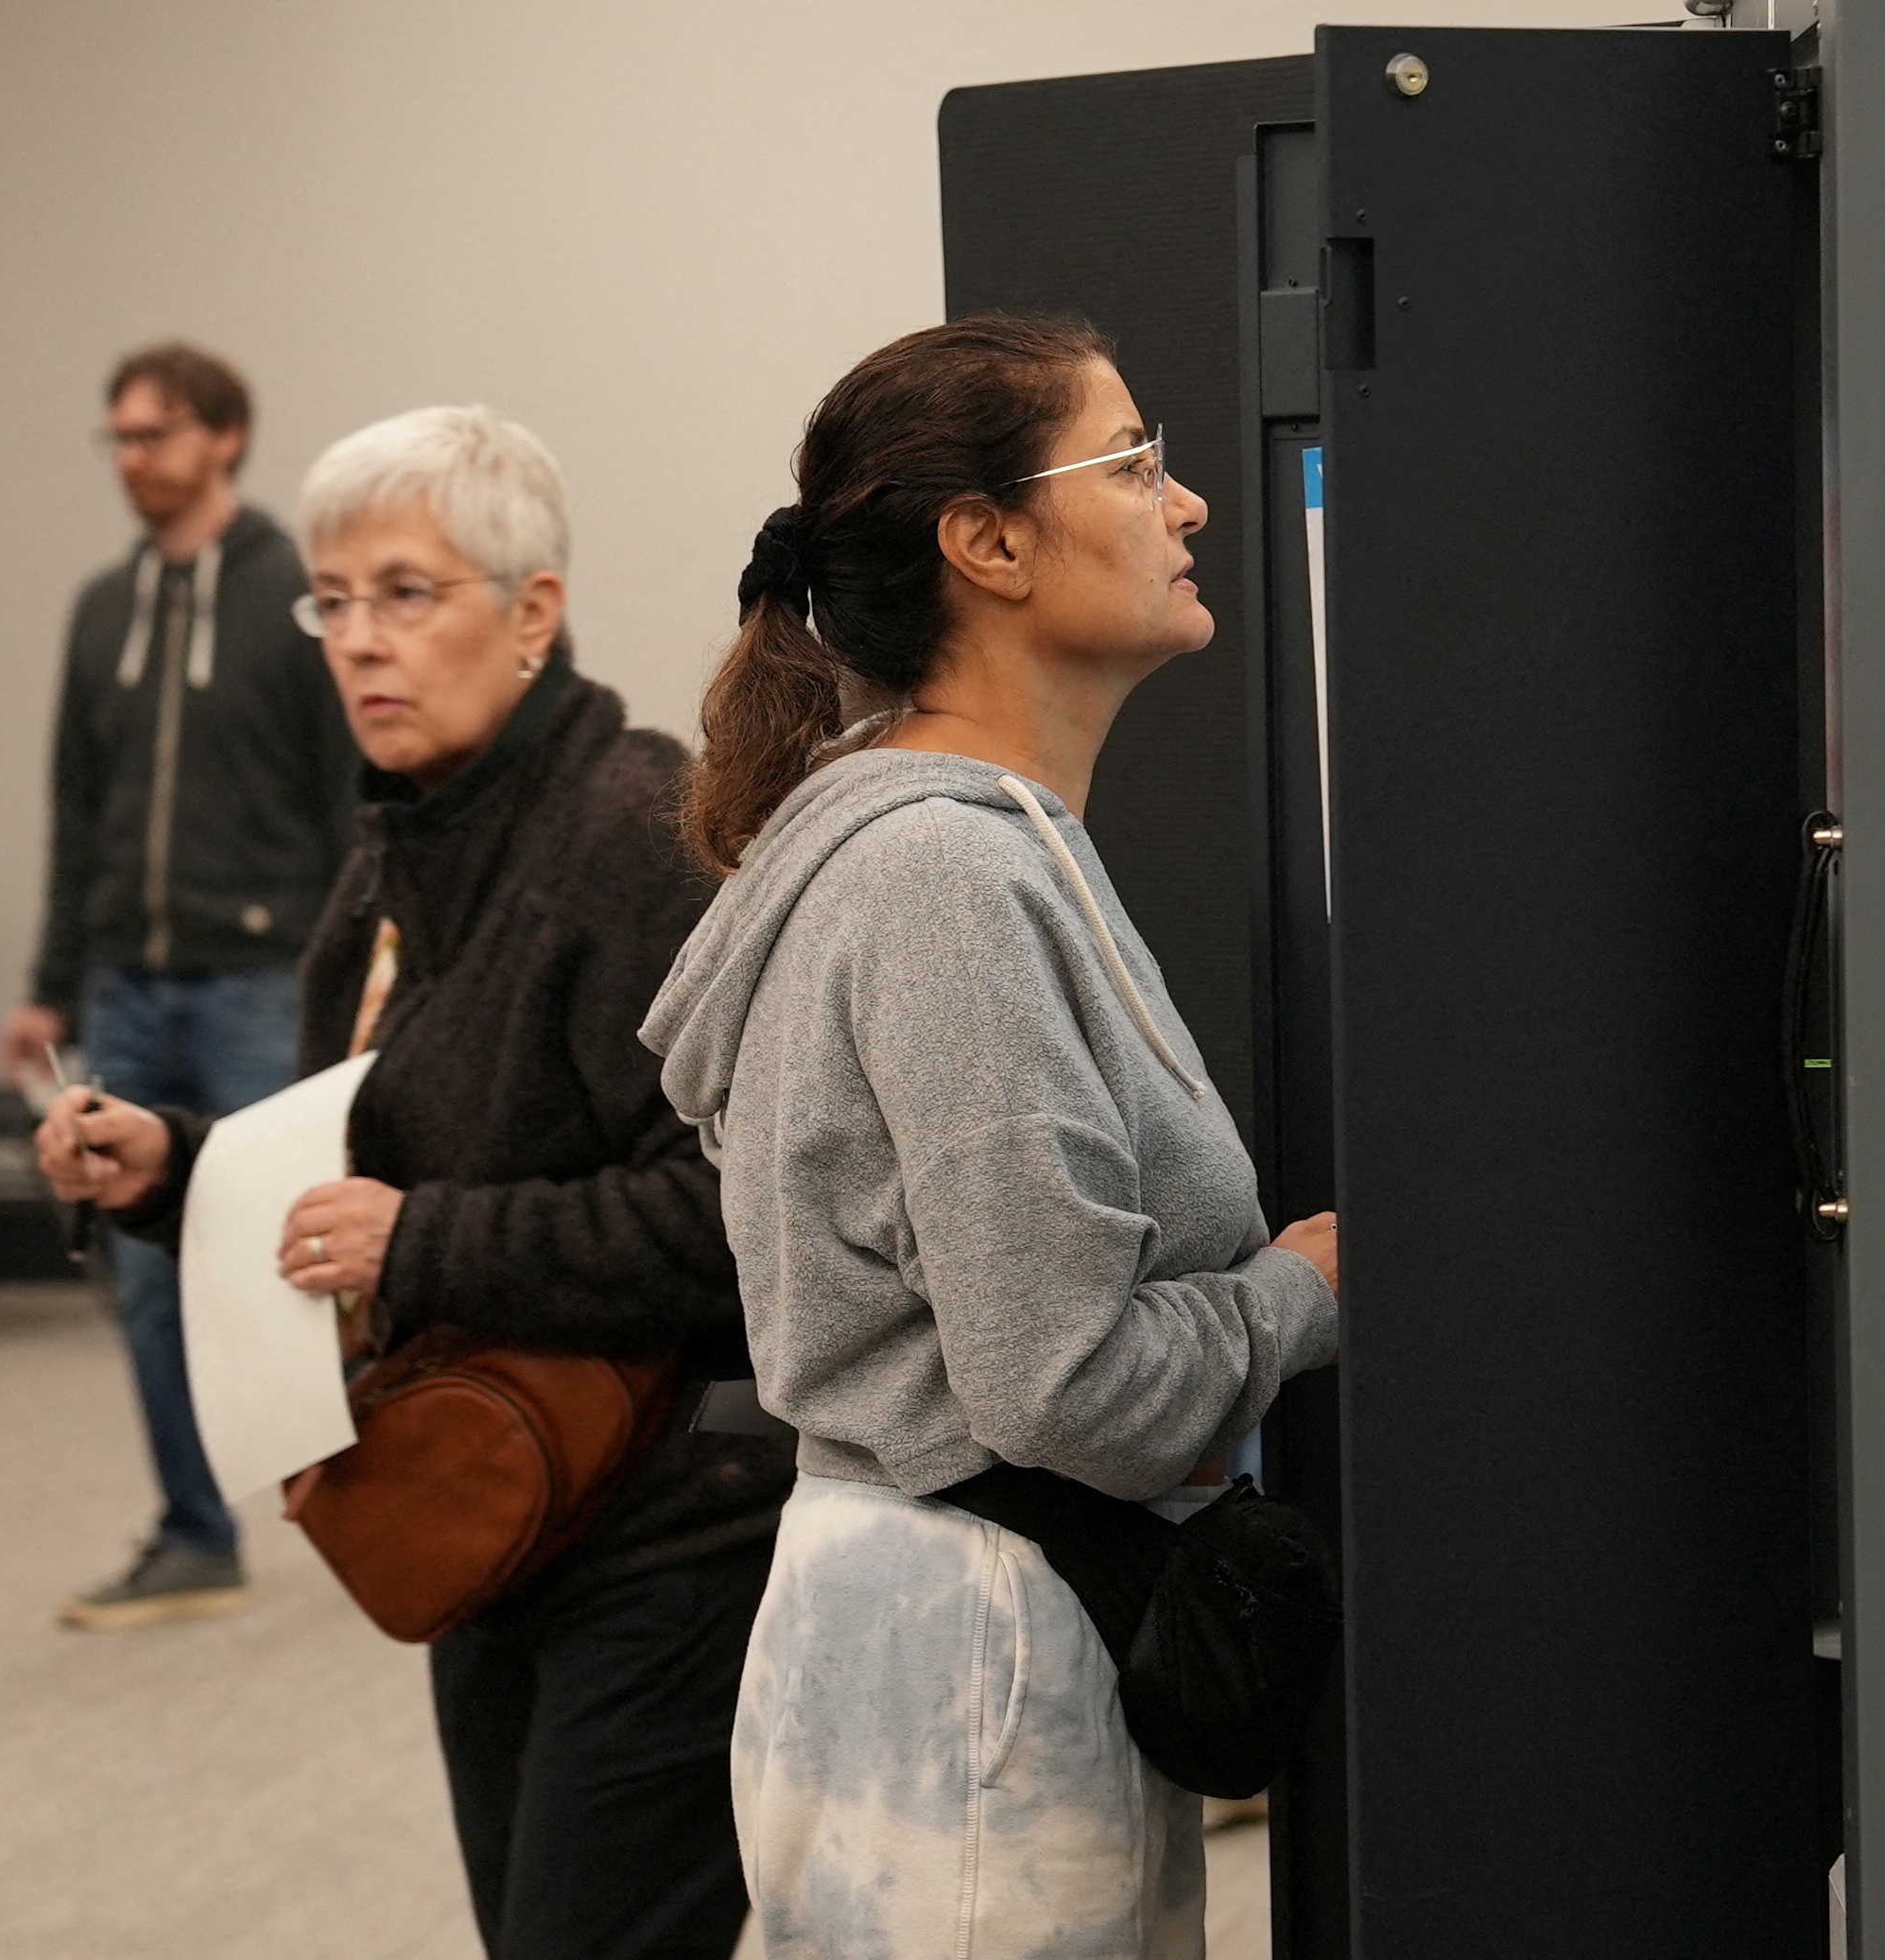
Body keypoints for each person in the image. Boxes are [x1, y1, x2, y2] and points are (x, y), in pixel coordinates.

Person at [36, 406, 792, 1960]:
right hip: (493, 1509)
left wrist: (428, 1238)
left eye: (408, 592)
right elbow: (369, 1157)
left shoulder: (629, 835)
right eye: (333, 599)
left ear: (532, 613)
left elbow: (741, 1216)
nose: (359, 642)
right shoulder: (408, 839)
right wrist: (173, 1170)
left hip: (667, 1536)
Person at [641, 316, 1342, 1958]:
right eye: (1137, 461)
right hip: (972, 1662)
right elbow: (1064, 1381)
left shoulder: (946, 845)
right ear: (990, 540)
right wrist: (1298, 1293)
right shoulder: (944, 880)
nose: (1186, 508)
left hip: (961, 1629)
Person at [0, 342, 360, 1630]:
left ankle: (368, 1499)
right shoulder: (103, 607)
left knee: (288, 1247)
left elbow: (344, 795)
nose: (131, 460)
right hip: (128, 989)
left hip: (265, 979)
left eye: (151, 435)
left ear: (222, 437)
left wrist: (354, 964)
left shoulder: (294, 596)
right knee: (137, 1264)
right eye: (119, 439)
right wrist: (51, 984)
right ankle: (193, 1531)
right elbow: (76, 806)